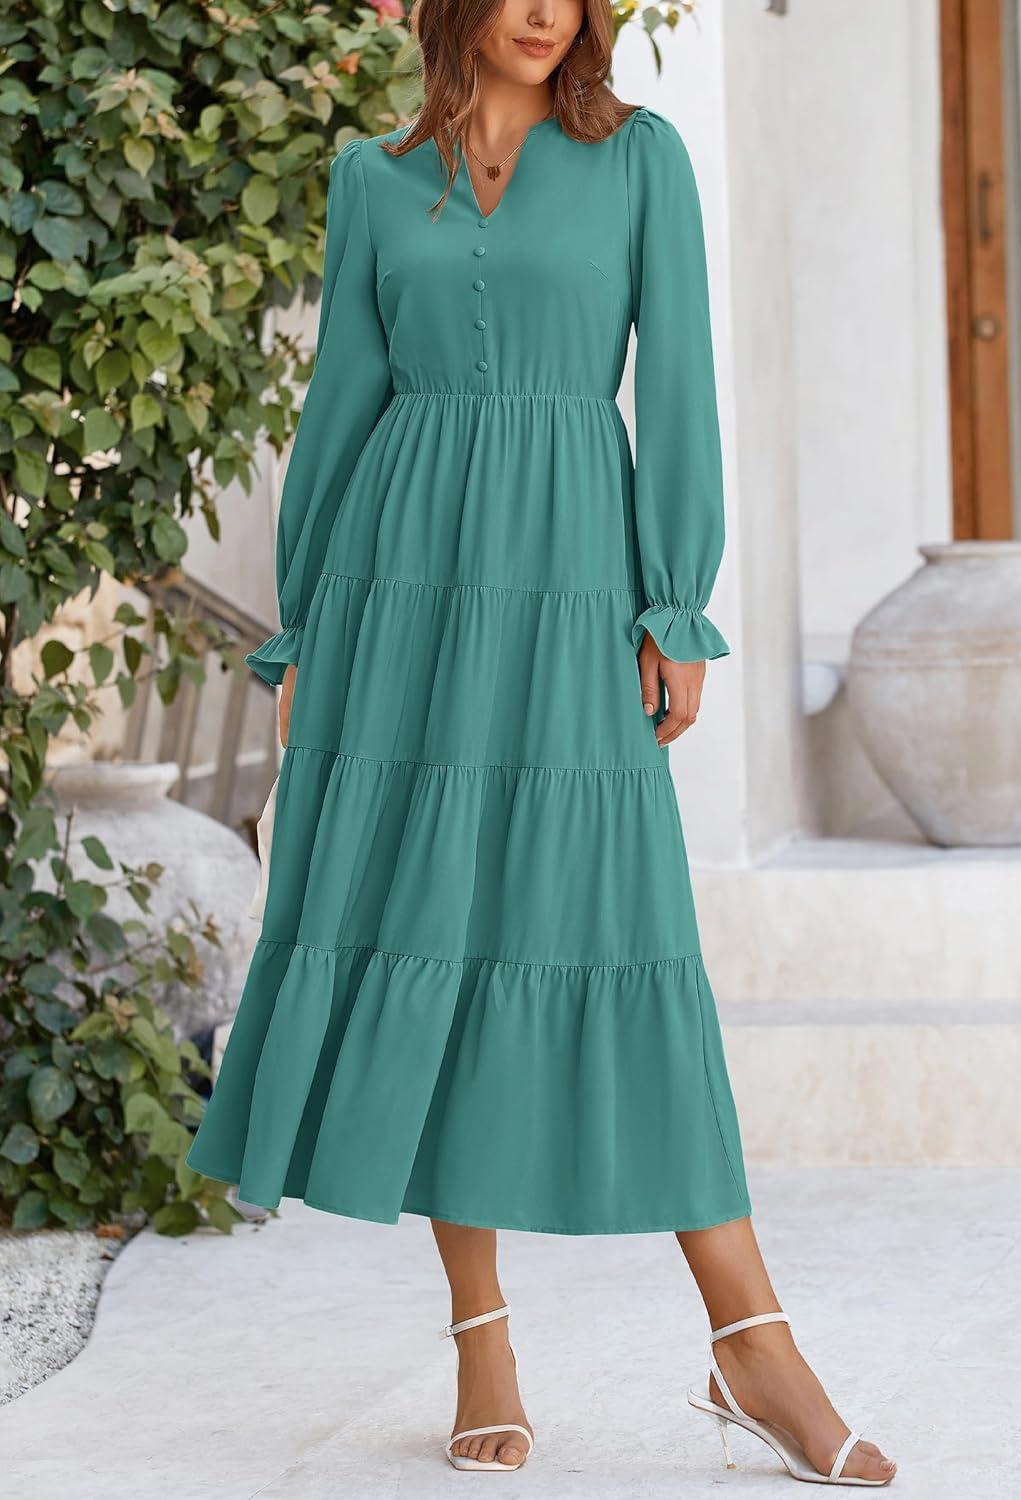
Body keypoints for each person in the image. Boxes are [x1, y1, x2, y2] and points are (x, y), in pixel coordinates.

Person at [186, 0, 897, 1484]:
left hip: (573, 580)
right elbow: (344, 401)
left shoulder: (641, 158)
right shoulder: (375, 178)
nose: (540, 10)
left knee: (623, 937)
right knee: (431, 930)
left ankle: (752, 1340)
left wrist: (673, 603)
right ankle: (482, 1339)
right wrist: (304, 629)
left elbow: (678, 381)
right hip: (397, 596)